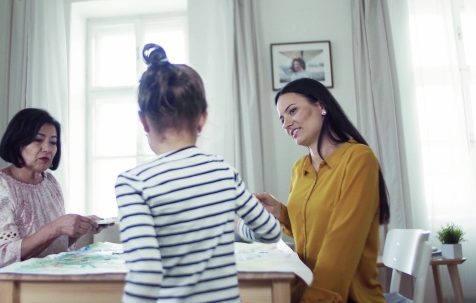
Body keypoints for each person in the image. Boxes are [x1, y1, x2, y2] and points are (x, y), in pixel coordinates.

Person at [114, 44, 282, 302]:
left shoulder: (134, 183)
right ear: (202, 119)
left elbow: (146, 274)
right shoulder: (224, 172)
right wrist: (233, 225)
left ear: (144, 121)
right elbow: (271, 231)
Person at [251, 78, 390, 302]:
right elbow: (311, 232)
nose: (286, 124)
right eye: (282, 119)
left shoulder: (358, 159)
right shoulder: (299, 169)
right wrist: (281, 212)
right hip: (301, 290)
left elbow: (342, 243)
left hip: (342, 297)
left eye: (292, 111)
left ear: (322, 106)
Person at [0, 108, 110, 303]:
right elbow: (1, 261)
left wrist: (78, 229)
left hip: (43, 286)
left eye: (53, 142)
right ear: (18, 142)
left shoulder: (50, 183)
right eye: (38, 140)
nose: (47, 148)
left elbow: (50, 247)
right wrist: (56, 227)